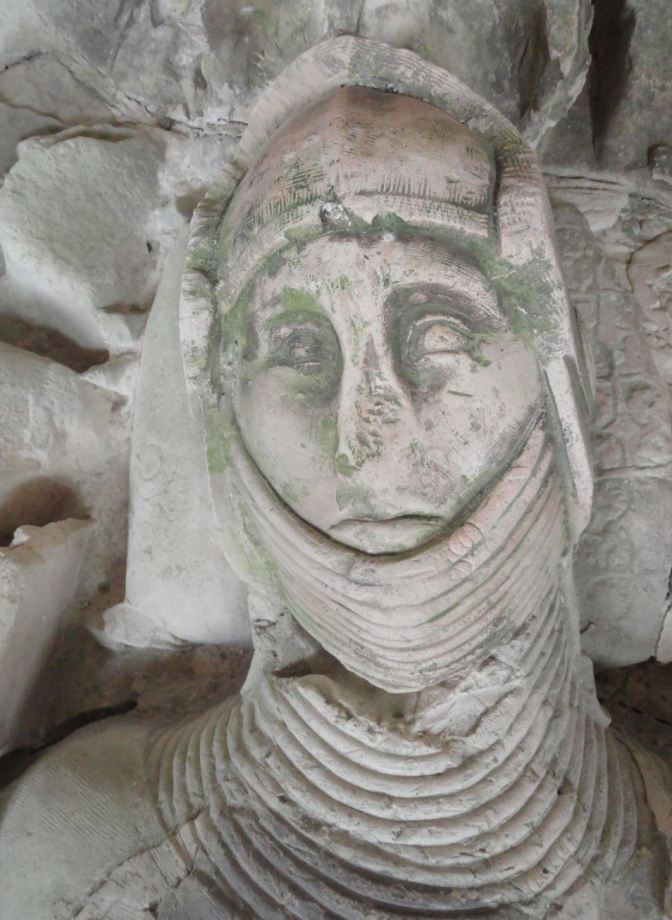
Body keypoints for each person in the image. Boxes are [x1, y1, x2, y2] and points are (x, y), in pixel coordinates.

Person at [1, 36, 669, 920]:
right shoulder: (69, 848)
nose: (365, 431)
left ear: (558, 392)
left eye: (438, 332)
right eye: (300, 347)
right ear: (224, 414)